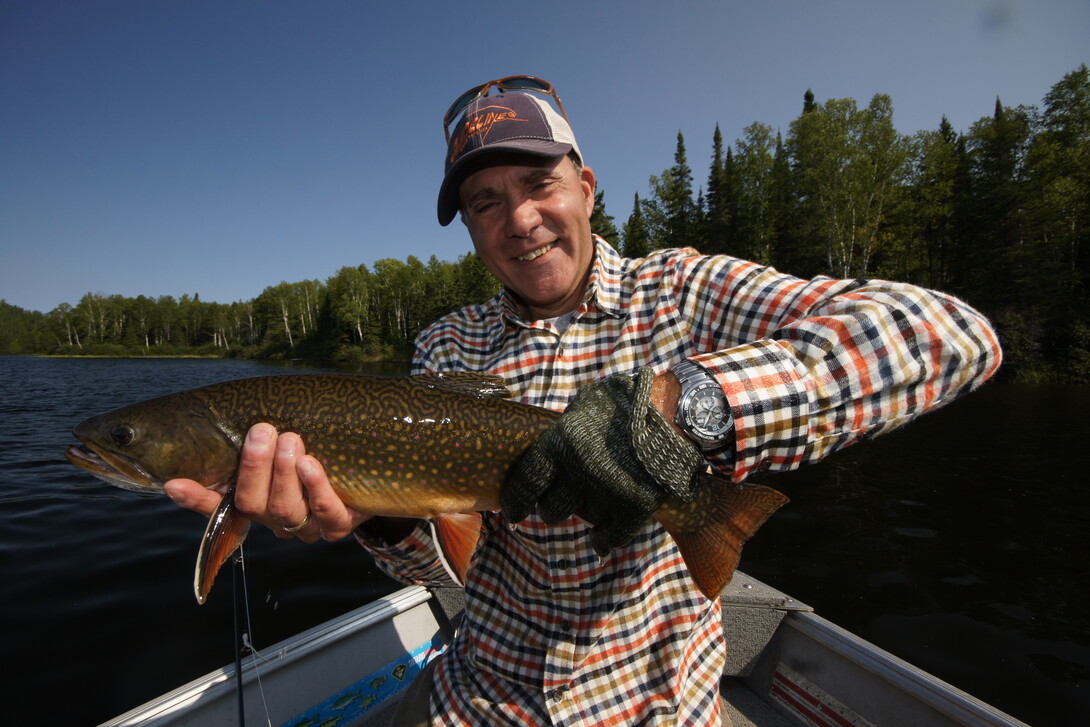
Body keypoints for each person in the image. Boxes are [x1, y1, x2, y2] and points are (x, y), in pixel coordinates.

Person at [164, 76, 1002, 726]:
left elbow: (951, 335)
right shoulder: (445, 349)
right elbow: (447, 561)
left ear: (587, 185)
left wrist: (691, 407)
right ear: (468, 227)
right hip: (482, 693)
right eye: (486, 203)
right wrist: (381, 522)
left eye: (538, 183)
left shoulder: (682, 290)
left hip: (649, 702)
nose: (520, 218)